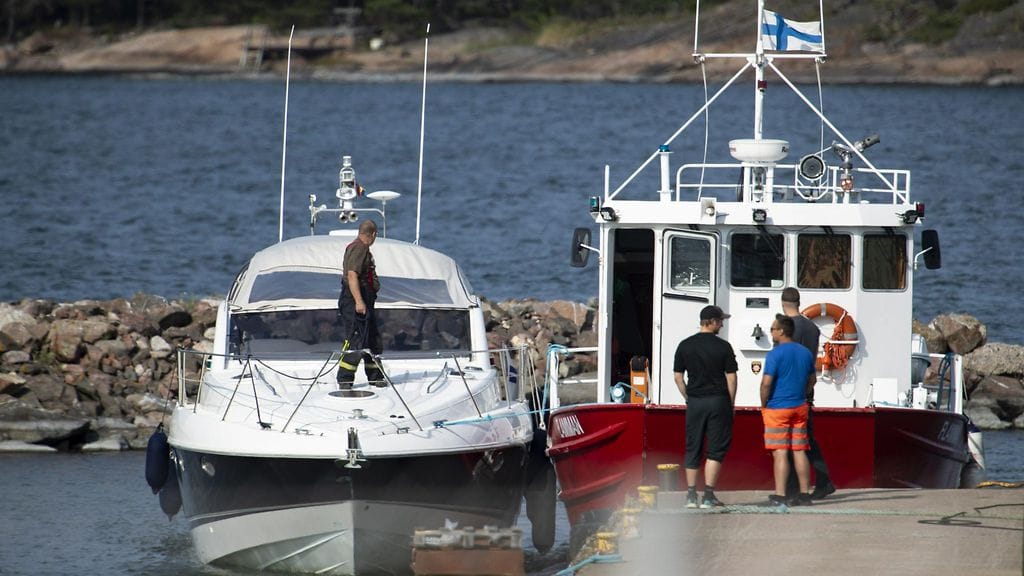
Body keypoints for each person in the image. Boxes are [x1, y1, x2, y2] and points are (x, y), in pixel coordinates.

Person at [673, 305, 738, 509]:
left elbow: (677, 377)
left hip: (696, 401)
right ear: (711, 322)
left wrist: (688, 396)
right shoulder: (723, 347)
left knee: (693, 446)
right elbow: (731, 378)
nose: (722, 324)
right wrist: (731, 402)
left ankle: (691, 495)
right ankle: (708, 495)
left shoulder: (684, 345)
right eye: (720, 320)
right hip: (718, 400)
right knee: (715, 449)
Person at [781, 287, 836, 499]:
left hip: (789, 390)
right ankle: (823, 481)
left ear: (783, 303)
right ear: (799, 302)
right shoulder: (812, 328)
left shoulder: (785, 328)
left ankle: (793, 489)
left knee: (791, 442)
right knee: (807, 439)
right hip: (807, 387)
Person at [760, 314, 817, 506]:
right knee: (800, 450)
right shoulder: (805, 353)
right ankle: (804, 494)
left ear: (781, 331)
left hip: (778, 408)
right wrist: (803, 393)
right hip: (800, 407)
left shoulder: (774, 354)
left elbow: (766, 384)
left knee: (780, 452)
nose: (771, 332)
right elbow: (812, 380)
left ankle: (781, 494)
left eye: (773, 329)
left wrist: (763, 404)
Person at [336, 219, 384, 389]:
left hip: (365, 298)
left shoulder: (360, 248)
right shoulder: (359, 248)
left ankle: (376, 376)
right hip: (355, 299)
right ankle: (345, 379)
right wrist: (359, 301)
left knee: (372, 339)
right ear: (373, 234)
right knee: (356, 338)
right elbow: (352, 275)